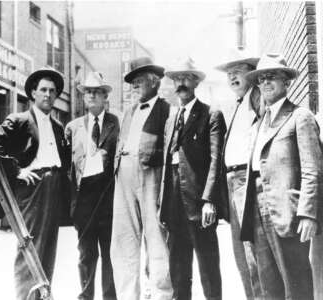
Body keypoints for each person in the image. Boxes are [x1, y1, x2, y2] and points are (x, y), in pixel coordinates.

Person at [241, 54, 323, 300]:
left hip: (288, 213)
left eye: (272, 77)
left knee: (296, 284)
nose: (266, 83)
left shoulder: (300, 116)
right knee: (269, 286)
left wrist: (308, 214)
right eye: (261, 79)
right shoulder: (259, 123)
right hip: (257, 210)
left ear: (286, 82)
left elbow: (313, 169)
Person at [0, 68, 70, 300]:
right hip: (32, 188)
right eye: (43, 90)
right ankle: (25, 297)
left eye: (52, 91)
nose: (48, 94)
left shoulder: (57, 126)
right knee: (29, 245)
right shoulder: (18, 120)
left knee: (48, 248)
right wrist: (18, 171)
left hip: (54, 187)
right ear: (33, 93)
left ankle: (43, 295)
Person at [159, 58, 227, 300]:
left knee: (208, 267)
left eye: (187, 78)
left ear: (196, 81)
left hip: (199, 204)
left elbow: (216, 161)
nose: (181, 84)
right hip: (173, 205)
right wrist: (162, 205)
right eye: (177, 79)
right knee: (178, 268)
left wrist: (209, 200)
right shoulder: (171, 119)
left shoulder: (211, 114)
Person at [110, 57, 173, 300]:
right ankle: (128, 295)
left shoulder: (168, 110)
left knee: (156, 237)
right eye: (133, 81)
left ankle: (161, 294)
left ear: (155, 81)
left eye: (140, 80)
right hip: (123, 174)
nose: (134, 85)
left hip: (152, 175)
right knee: (124, 239)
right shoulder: (129, 111)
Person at [65, 72, 119, 300]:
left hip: (108, 196)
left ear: (105, 96)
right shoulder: (74, 127)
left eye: (97, 92)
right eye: (88, 92)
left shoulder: (116, 123)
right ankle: (85, 295)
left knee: (109, 252)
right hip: (84, 198)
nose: (92, 96)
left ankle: (109, 296)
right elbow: (69, 166)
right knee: (86, 252)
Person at [215, 50, 262, 299]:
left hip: (246, 179)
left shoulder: (257, 97)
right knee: (241, 253)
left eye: (237, 71)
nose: (232, 76)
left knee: (252, 252)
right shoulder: (239, 103)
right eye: (228, 73)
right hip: (233, 182)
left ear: (251, 74)